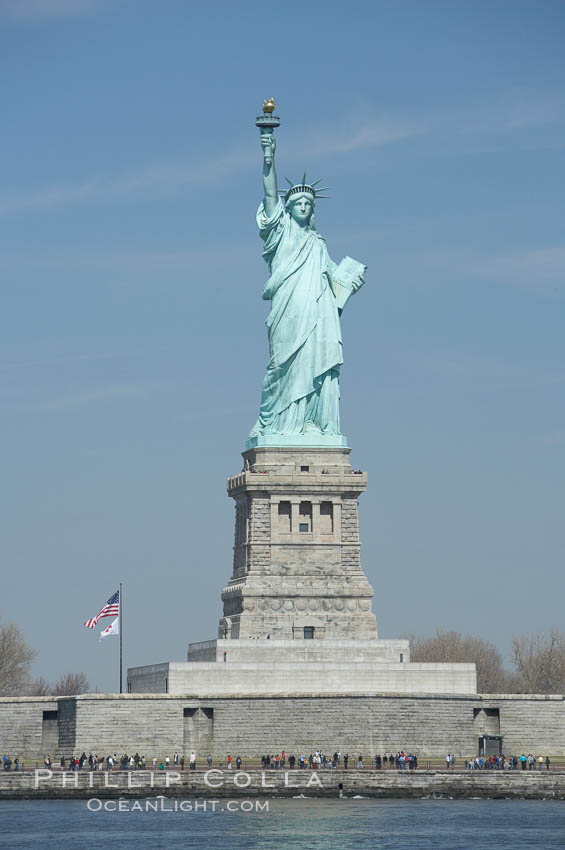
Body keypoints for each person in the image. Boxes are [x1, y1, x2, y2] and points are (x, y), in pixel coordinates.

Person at [248, 129, 365, 442]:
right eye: (297, 202)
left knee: (315, 364)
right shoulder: (280, 234)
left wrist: (350, 282)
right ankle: (270, 423)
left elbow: (334, 282)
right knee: (280, 367)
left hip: (318, 315)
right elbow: (270, 195)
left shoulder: (318, 243)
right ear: (288, 209)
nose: (303, 206)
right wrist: (268, 158)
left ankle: (311, 423)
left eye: (308, 203)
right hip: (288, 311)